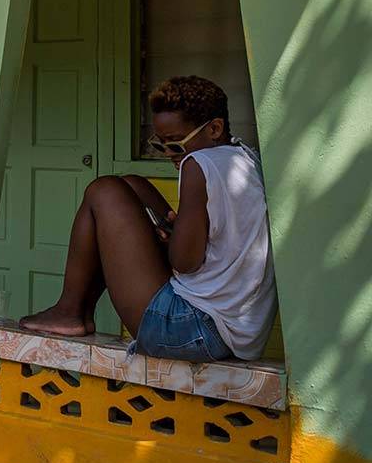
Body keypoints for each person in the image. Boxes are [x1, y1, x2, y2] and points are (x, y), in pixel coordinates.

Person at [19, 76, 276, 361]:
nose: (170, 155)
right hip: (236, 333)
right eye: (160, 145)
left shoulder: (198, 164)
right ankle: (75, 311)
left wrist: (170, 242)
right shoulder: (246, 158)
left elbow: (185, 263)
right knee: (132, 185)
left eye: (176, 145)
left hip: (191, 329)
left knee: (102, 190)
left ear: (214, 128)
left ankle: (69, 311)